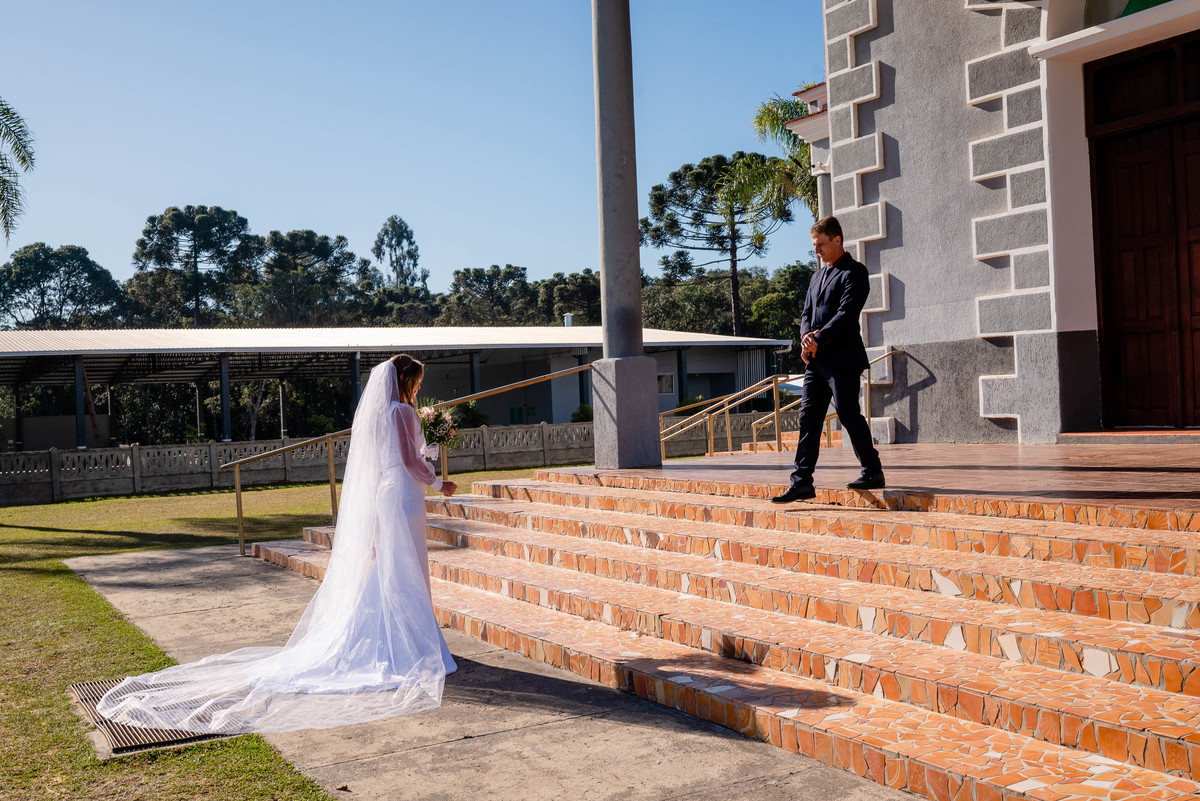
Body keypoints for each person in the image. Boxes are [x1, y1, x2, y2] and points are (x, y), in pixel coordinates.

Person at [96, 355, 459, 734]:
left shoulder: (382, 414)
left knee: (393, 565)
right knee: (407, 564)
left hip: (390, 492)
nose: (417, 389)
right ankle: (410, 641)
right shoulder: (401, 412)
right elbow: (408, 460)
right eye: (415, 382)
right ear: (403, 379)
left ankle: (400, 634)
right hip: (404, 493)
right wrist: (438, 482)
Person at [772, 216, 885, 503]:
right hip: (816, 362)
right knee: (808, 418)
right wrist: (805, 338)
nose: (817, 250)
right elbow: (806, 315)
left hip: (844, 360)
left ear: (837, 240)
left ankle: (872, 470)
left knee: (848, 414)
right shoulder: (816, 276)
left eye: (821, 244)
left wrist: (817, 338)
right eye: (814, 245)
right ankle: (802, 482)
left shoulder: (855, 272)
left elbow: (847, 315)